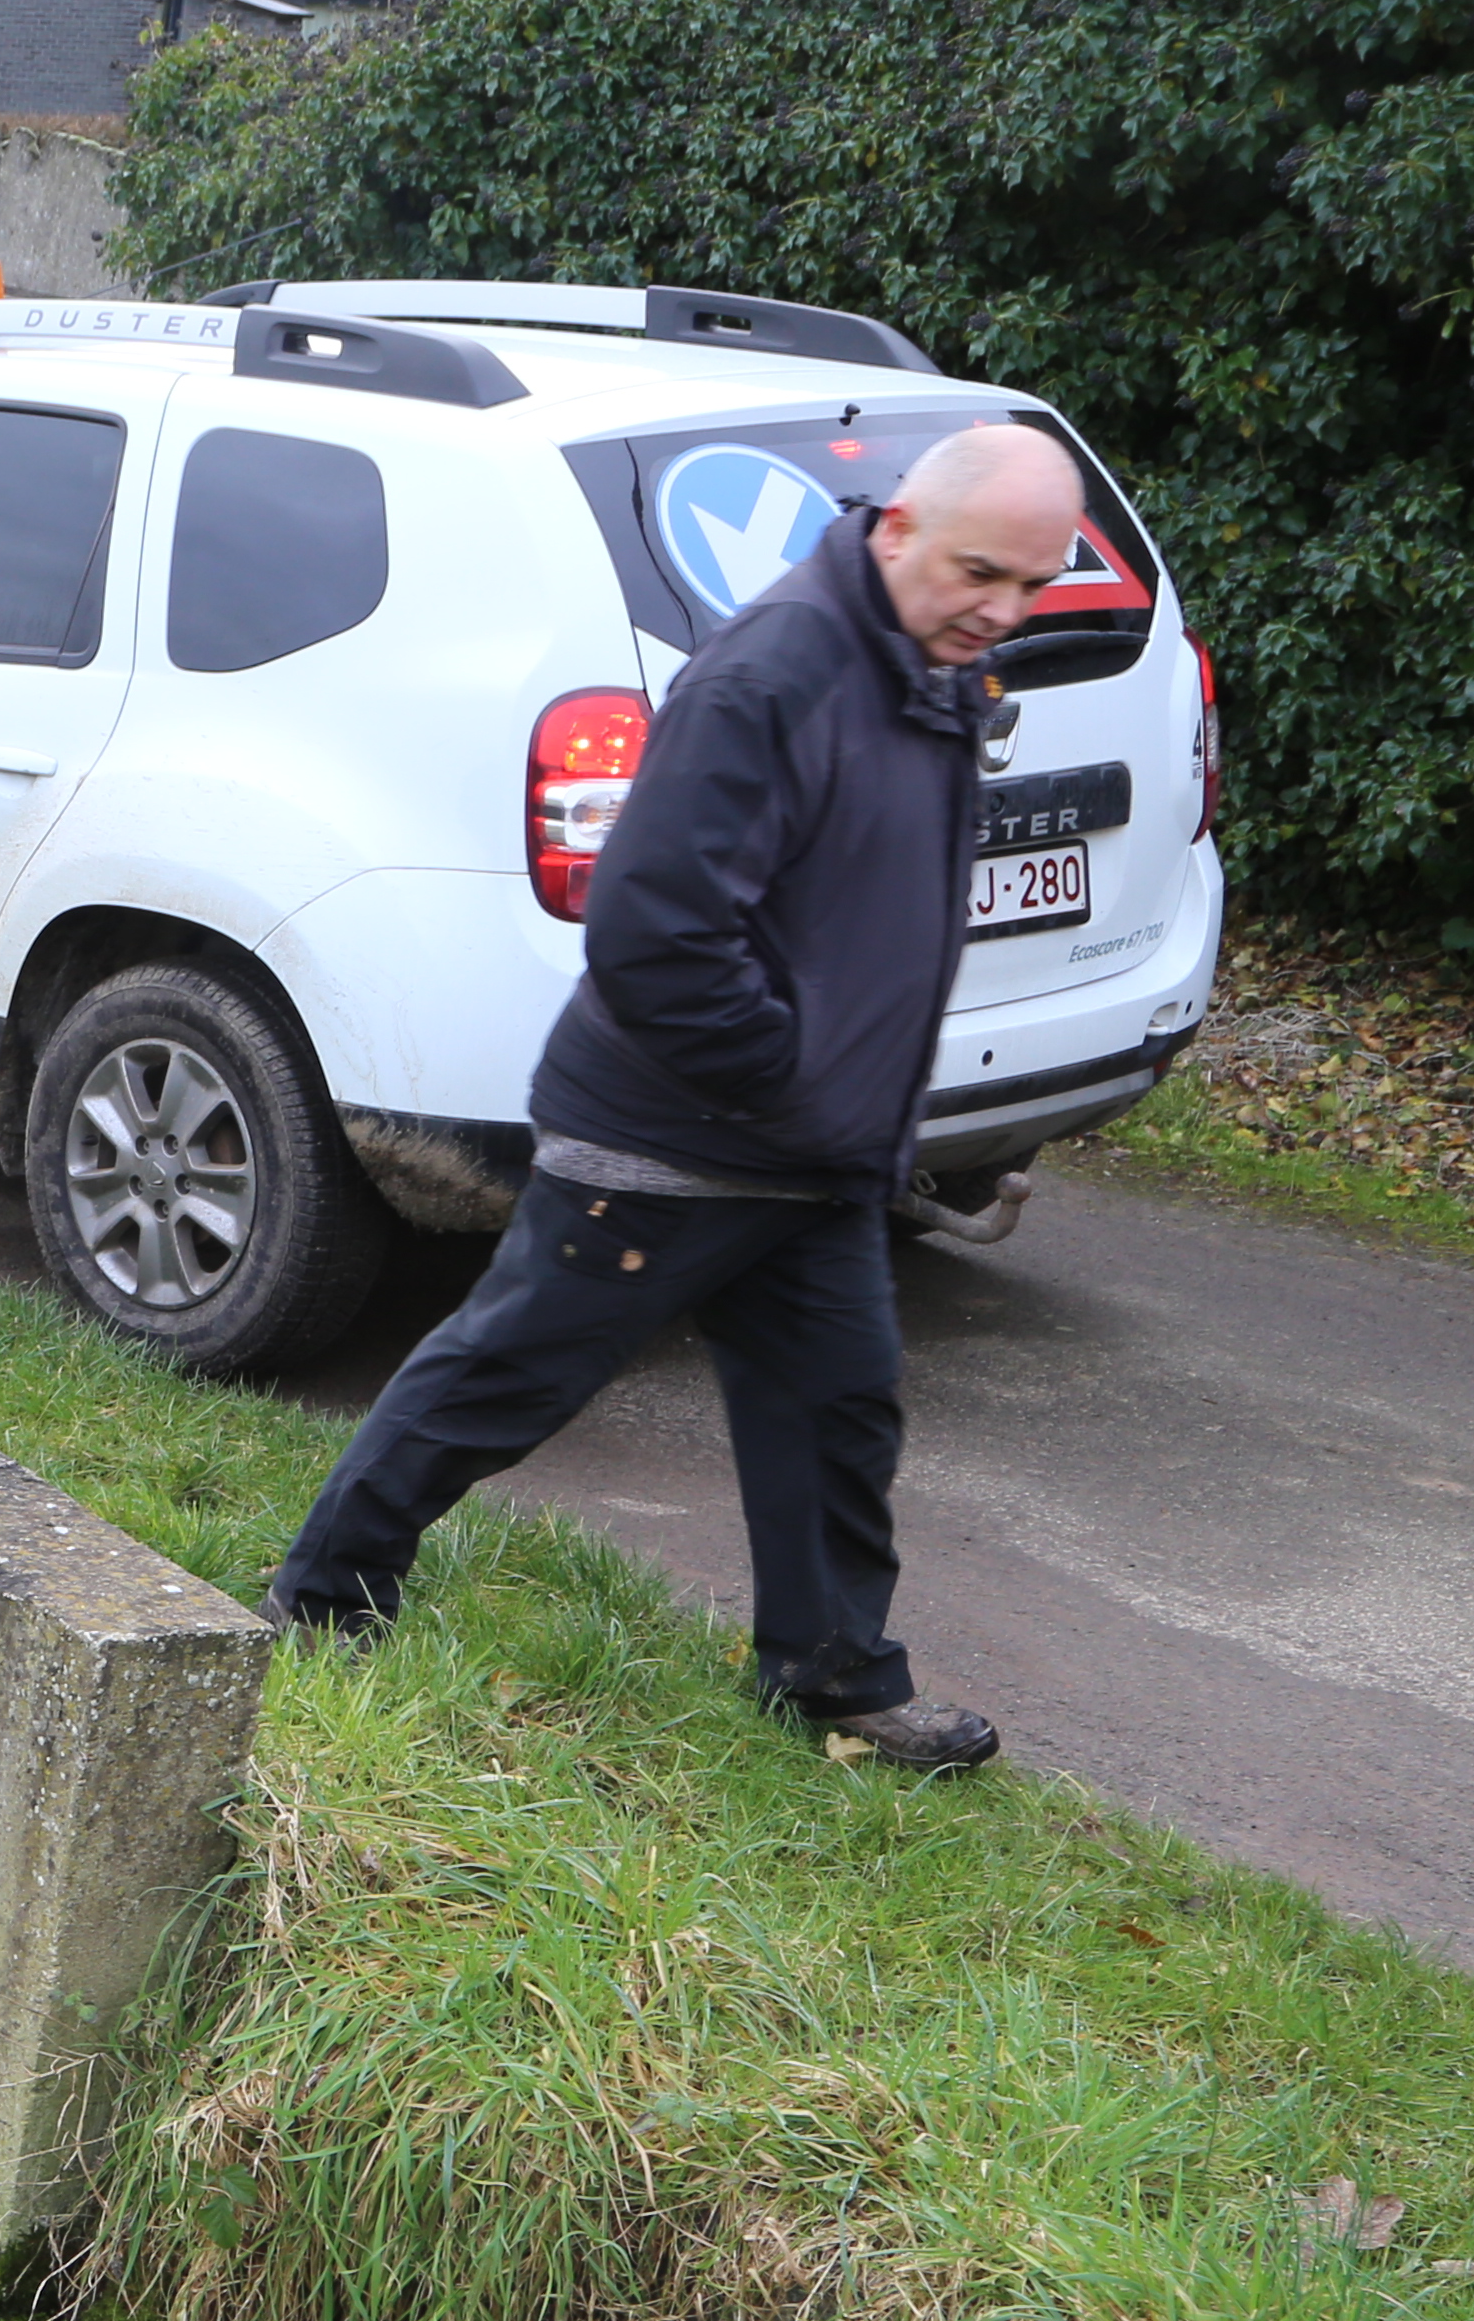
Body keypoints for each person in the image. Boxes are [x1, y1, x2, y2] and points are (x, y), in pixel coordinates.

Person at [262, 418, 1096, 1773]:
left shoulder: (926, 667)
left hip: (812, 1154)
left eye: (1030, 587)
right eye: (980, 574)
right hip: (669, 1141)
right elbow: (654, 934)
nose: (1001, 612)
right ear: (896, 532)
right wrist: (794, 1079)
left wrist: (839, 1110)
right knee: (505, 1377)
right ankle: (321, 1598)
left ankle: (836, 1682)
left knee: (839, 1410)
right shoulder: (772, 679)